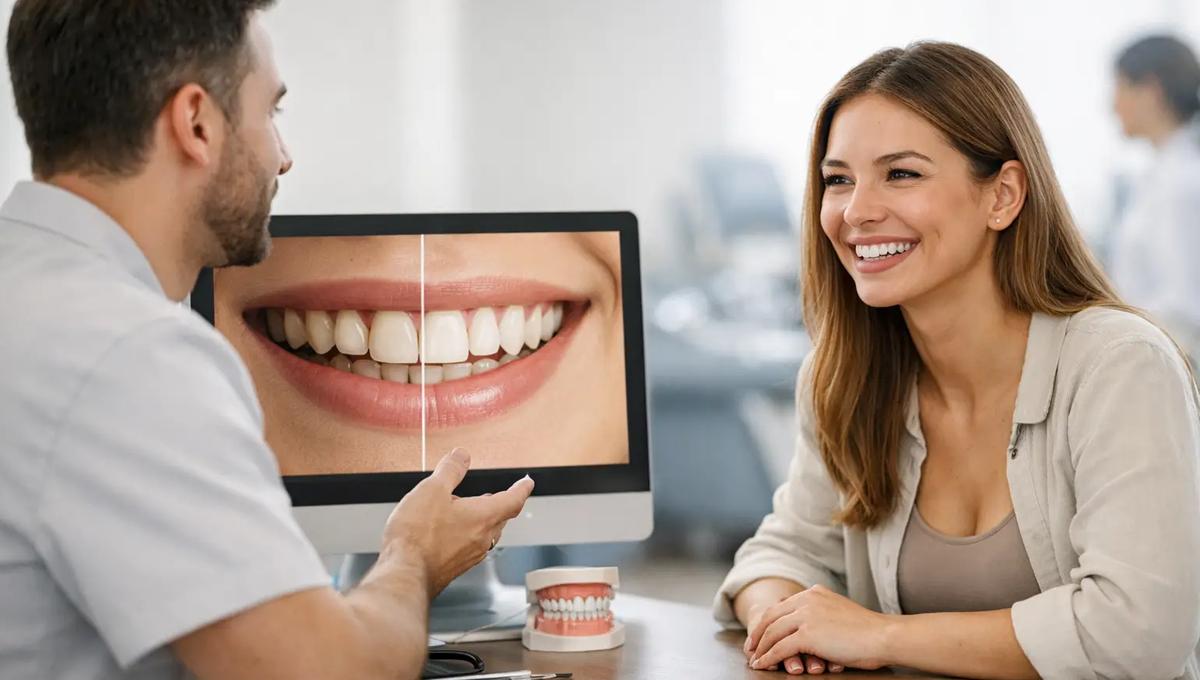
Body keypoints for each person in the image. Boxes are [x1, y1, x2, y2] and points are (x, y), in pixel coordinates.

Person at [0, 2, 533, 679]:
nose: (283, 156)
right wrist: (413, 554)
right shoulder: (129, 357)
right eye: (270, 112)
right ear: (196, 123)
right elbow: (333, 672)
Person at [714, 41, 1200, 679]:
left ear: (1003, 195)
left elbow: (1138, 633)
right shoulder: (846, 378)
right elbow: (782, 553)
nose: (857, 211)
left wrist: (880, 636)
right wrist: (788, 622)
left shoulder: (1120, 366)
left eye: (901, 174)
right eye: (838, 180)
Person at [1109, 35, 1200, 366]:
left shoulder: (1182, 183)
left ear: (1151, 90)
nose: (1113, 105)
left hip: (1167, 363)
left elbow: (1185, 306)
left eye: (1120, 88)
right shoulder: (1158, 176)